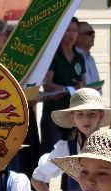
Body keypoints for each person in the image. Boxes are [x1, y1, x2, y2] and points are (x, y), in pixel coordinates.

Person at [40, 18, 85, 155]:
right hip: (54, 113)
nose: (71, 34)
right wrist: (63, 89)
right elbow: (47, 84)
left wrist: (81, 88)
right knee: (50, 158)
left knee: (72, 157)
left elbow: (83, 82)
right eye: (67, 30)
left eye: (74, 31)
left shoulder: (79, 57)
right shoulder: (53, 55)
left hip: (72, 115)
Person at [76, 20, 101, 95]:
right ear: (78, 37)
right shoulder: (73, 58)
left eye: (93, 32)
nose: (93, 35)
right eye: (89, 33)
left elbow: (97, 85)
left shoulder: (91, 59)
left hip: (94, 102)